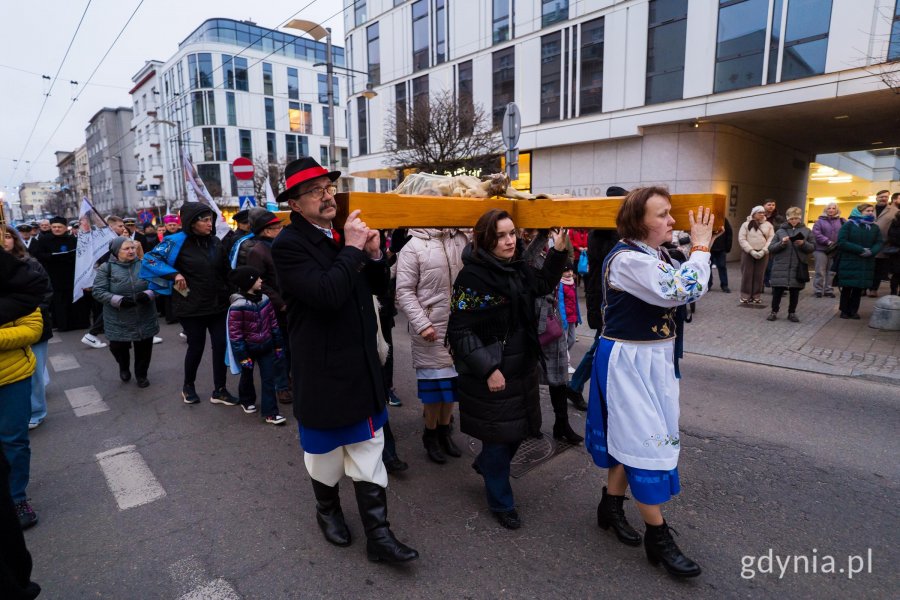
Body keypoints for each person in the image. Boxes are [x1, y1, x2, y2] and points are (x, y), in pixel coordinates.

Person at [271, 156, 418, 563]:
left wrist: (372, 256)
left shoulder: (341, 236)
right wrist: (353, 249)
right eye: (315, 191)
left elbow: (373, 289)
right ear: (295, 205)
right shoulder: (287, 245)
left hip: (360, 364)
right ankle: (328, 510)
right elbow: (326, 294)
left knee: (370, 448)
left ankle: (379, 536)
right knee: (325, 458)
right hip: (322, 370)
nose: (327, 195)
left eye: (329, 187)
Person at [585, 187, 712, 578]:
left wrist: (695, 246)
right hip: (629, 362)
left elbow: (676, 279)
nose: (672, 221)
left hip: (652, 359)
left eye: (670, 213)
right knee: (645, 444)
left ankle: (610, 505)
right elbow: (681, 288)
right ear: (639, 222)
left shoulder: (649, 254)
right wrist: (702, 249)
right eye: (663, 215)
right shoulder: (627, 260)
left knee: (634, 436)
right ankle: (658, 538)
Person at [447, 209, 568, 529]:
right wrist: (488, 370)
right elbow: (459, 331)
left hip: (521, 364)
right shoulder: (472, 277)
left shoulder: (517, 268)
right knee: (500, 440)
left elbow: (540, 284)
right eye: (500, 235)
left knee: (520, 431)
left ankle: (488, 465)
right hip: (494, 372)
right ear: (486, 239)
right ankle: (501, 502)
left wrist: (558, 252)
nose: (509, 240)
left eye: (512, 233)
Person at [141, 202, 237, 404]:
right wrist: (174, 274)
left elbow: (226, 271)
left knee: (220, 346)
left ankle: (219, 390)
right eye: (204, 220)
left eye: (210, 219)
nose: (209, 223)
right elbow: (149, 260)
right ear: (192, 222)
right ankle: (188, 386)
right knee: (197, 346)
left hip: (218, 304)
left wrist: (236, 292)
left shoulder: (215, 243)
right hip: (191, 305)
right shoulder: (175, 242)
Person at [394, 226, 468, 464]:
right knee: (434, 391)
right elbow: (404, 291)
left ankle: (445, 431)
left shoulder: (459, 238)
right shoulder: (412, 246)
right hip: (430, 329)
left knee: (452, 388)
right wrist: (422, 324)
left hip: (458, 327)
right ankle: (431, 434)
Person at [567, 186, 628, 410]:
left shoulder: (609, 231)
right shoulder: (604, 232)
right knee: (600, 344)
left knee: (601, 343)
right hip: (605, 299)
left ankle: (576, 386)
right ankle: (575, 386)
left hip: (605, 297)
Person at [0, 248, 47, 530]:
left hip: (12, 376)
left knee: (13, 440)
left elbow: (32, 328)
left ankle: (16, 497)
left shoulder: (16, 279)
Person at [523, 233, 584, 446]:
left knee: (559, 374)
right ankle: (531, 424)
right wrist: (540, 234)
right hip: (530, 322)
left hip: (552, 319)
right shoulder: (519, 246)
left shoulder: (547, 245)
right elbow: (525, 262)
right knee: (528, 376)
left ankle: (562, 424)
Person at [2, 226, 53, 430]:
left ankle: (36, 411)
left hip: (31, 327)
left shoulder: (29, 264)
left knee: (34, 373)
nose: (4, 240)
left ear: (15, 240)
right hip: (6, 332)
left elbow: (45, 293)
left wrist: (25, 311)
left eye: (7, 236)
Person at [92, 238, 159, 388]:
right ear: (116, 252)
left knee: (144, 348)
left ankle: (141, 375)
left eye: (132, 248)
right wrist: (118, 300)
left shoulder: (145, 264)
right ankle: (123, 366)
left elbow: (159, 284)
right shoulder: (106, 268)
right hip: (118, 318)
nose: (131, 251)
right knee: (118, 348)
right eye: (126, 249)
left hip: (144, 315)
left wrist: (149, 294)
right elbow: (98, 291)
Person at [226, 265, 287, 425]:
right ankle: (246, 399)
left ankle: (271, 413)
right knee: (247, 376)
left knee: (268, 379)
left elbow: (273, 323)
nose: (261, 280)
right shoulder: (237, 306)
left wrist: (278, 345)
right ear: (248, 283)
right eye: (257, 278)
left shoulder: (265, 299)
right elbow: (235, 334)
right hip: (248, 349)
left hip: (266, 346)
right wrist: (242, 356)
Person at [243, 210, 292, 404]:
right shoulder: (258, 251)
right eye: (277, 227)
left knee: (291, 347)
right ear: (267, 231)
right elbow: (259, 283)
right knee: (279, 349)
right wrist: (280, 303)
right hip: (275, 309)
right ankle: (281, 386)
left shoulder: (281, 246)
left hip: (290, 303)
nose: (280, 229)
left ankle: (290, 380)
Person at [30, 215, 91, 331]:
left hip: (71, 274)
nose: (57, 229)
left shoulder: (72, 239)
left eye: (59, 227)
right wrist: (51, 256)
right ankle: (63, 324)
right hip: (54, 275)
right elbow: (38, 255)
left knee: (75, 299)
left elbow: (81, 254)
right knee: (59, 301)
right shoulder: (44, 240)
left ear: (65, 228)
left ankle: (79, 323)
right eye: (54, 227)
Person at [835, 204, 883, 319]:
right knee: (847, 286)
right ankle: (844, 310)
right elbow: (841, 241)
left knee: (858, 288)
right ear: (859, 212)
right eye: (867, 211)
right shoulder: (849, 225)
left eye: (872, 210)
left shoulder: (874, 227)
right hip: (850, 260)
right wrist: (860, 250)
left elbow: (879, 242)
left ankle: (854, 310)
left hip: (866, 261)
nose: (870, 212)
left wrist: (872, 252)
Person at [765, 207, 813, 322]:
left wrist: (803, 244)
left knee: (794, 291)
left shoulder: (806, 231)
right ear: (787, 218)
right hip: (781, 265)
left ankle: (792, 313)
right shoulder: (780, 231)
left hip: (797, 266)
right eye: (791, 218)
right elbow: (771, 248)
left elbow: (812, 247)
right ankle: (774, 311)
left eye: (796, 218)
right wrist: (782, 243)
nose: (794, 221)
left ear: (800, 218)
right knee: (777, 291)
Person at [738, 206, 775, 305]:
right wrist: (751, 250)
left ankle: (756, 295)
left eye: (763, 212)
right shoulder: (746, 225)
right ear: (754, 213)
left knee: (759, 275)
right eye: (759, 212)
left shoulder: (768, 225)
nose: (762, 214)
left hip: (763, 253)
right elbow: (742, 239)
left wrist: (764, 250)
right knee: (747, 274)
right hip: (748, 253)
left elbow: (771, 239)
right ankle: (745, 295)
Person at [811, 202, 844, 298]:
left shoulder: (842, 221)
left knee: (831, 272)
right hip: (820, 249)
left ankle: (828, 290)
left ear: (837, 210)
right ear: (825, 210)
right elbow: (816, 234)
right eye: (829, 208)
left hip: (835, 250)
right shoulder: (819, 221)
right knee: (820, 271)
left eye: (833, 208)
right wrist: (828, 241)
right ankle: (818, 290)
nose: (831, 210)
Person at [871, 193, 898, 297]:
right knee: (868, 267)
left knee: (878, 268)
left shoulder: (895, 211)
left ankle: (874, 289)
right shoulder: (869, 209)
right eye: (881, 196)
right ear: (876, 197)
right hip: (868, 243)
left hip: (884, 244)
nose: (883, 199)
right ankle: (863, 289)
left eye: (886, 197)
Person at [708, 218, 732, 292]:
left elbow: (729, 233)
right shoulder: (708, 219)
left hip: (721, 249)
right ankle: (708, 284)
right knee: (708, 267)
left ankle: (724, 285)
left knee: (722, 266)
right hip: (710, 248)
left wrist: (727, 247)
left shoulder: (723, 219)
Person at [887, 210, 900, 296]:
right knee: (897, 273)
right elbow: (892, 237)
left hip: (896, 253)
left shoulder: (894, 224)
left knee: (896, 274)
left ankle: (894, 292)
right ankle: (893, 292)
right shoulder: (895, 224)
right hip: (897, 253)